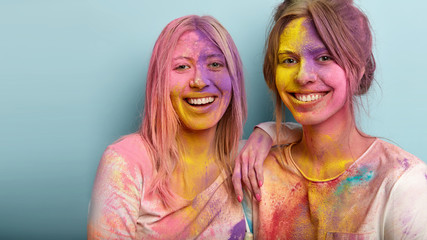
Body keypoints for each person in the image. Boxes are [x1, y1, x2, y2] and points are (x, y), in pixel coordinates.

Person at [243, 0, 427, 239]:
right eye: (288, 60)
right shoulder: (256, 173)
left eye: (324, 57)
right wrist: (268, 131)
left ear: (359, 67)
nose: (303, 76)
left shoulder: (402, 183)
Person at [87, 15, 250, 239]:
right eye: (182, 66)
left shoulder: (247, 161)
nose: (199, 81)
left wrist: (266, 133)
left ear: (234, 78)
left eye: (214, 64)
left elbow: (306, 140)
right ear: (159, 80)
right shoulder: (124, 163)